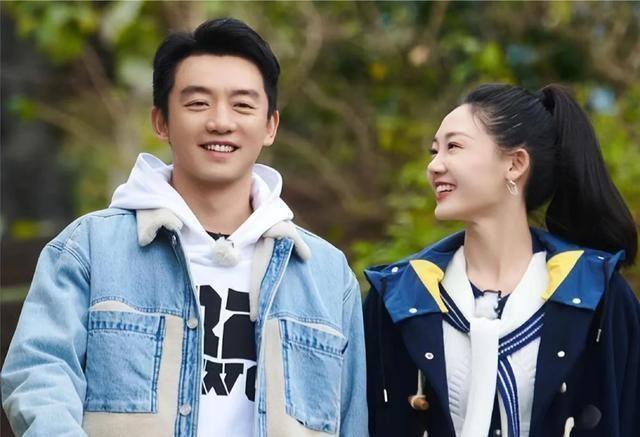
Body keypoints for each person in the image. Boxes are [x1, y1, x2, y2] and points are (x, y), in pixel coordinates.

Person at [1, 18, 367, 437]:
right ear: (161, 122)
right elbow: (39, 374)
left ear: (270, 126)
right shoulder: (90, 249)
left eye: (243, 105)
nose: (221, 122)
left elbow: (353, 418)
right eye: (198, 103)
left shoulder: (326, 274)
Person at [364, 83, 639, 437]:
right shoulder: (397, 297)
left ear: (515, 163)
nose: (434, 166)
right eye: (434, 151)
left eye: (453, 147)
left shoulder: (599, 296)